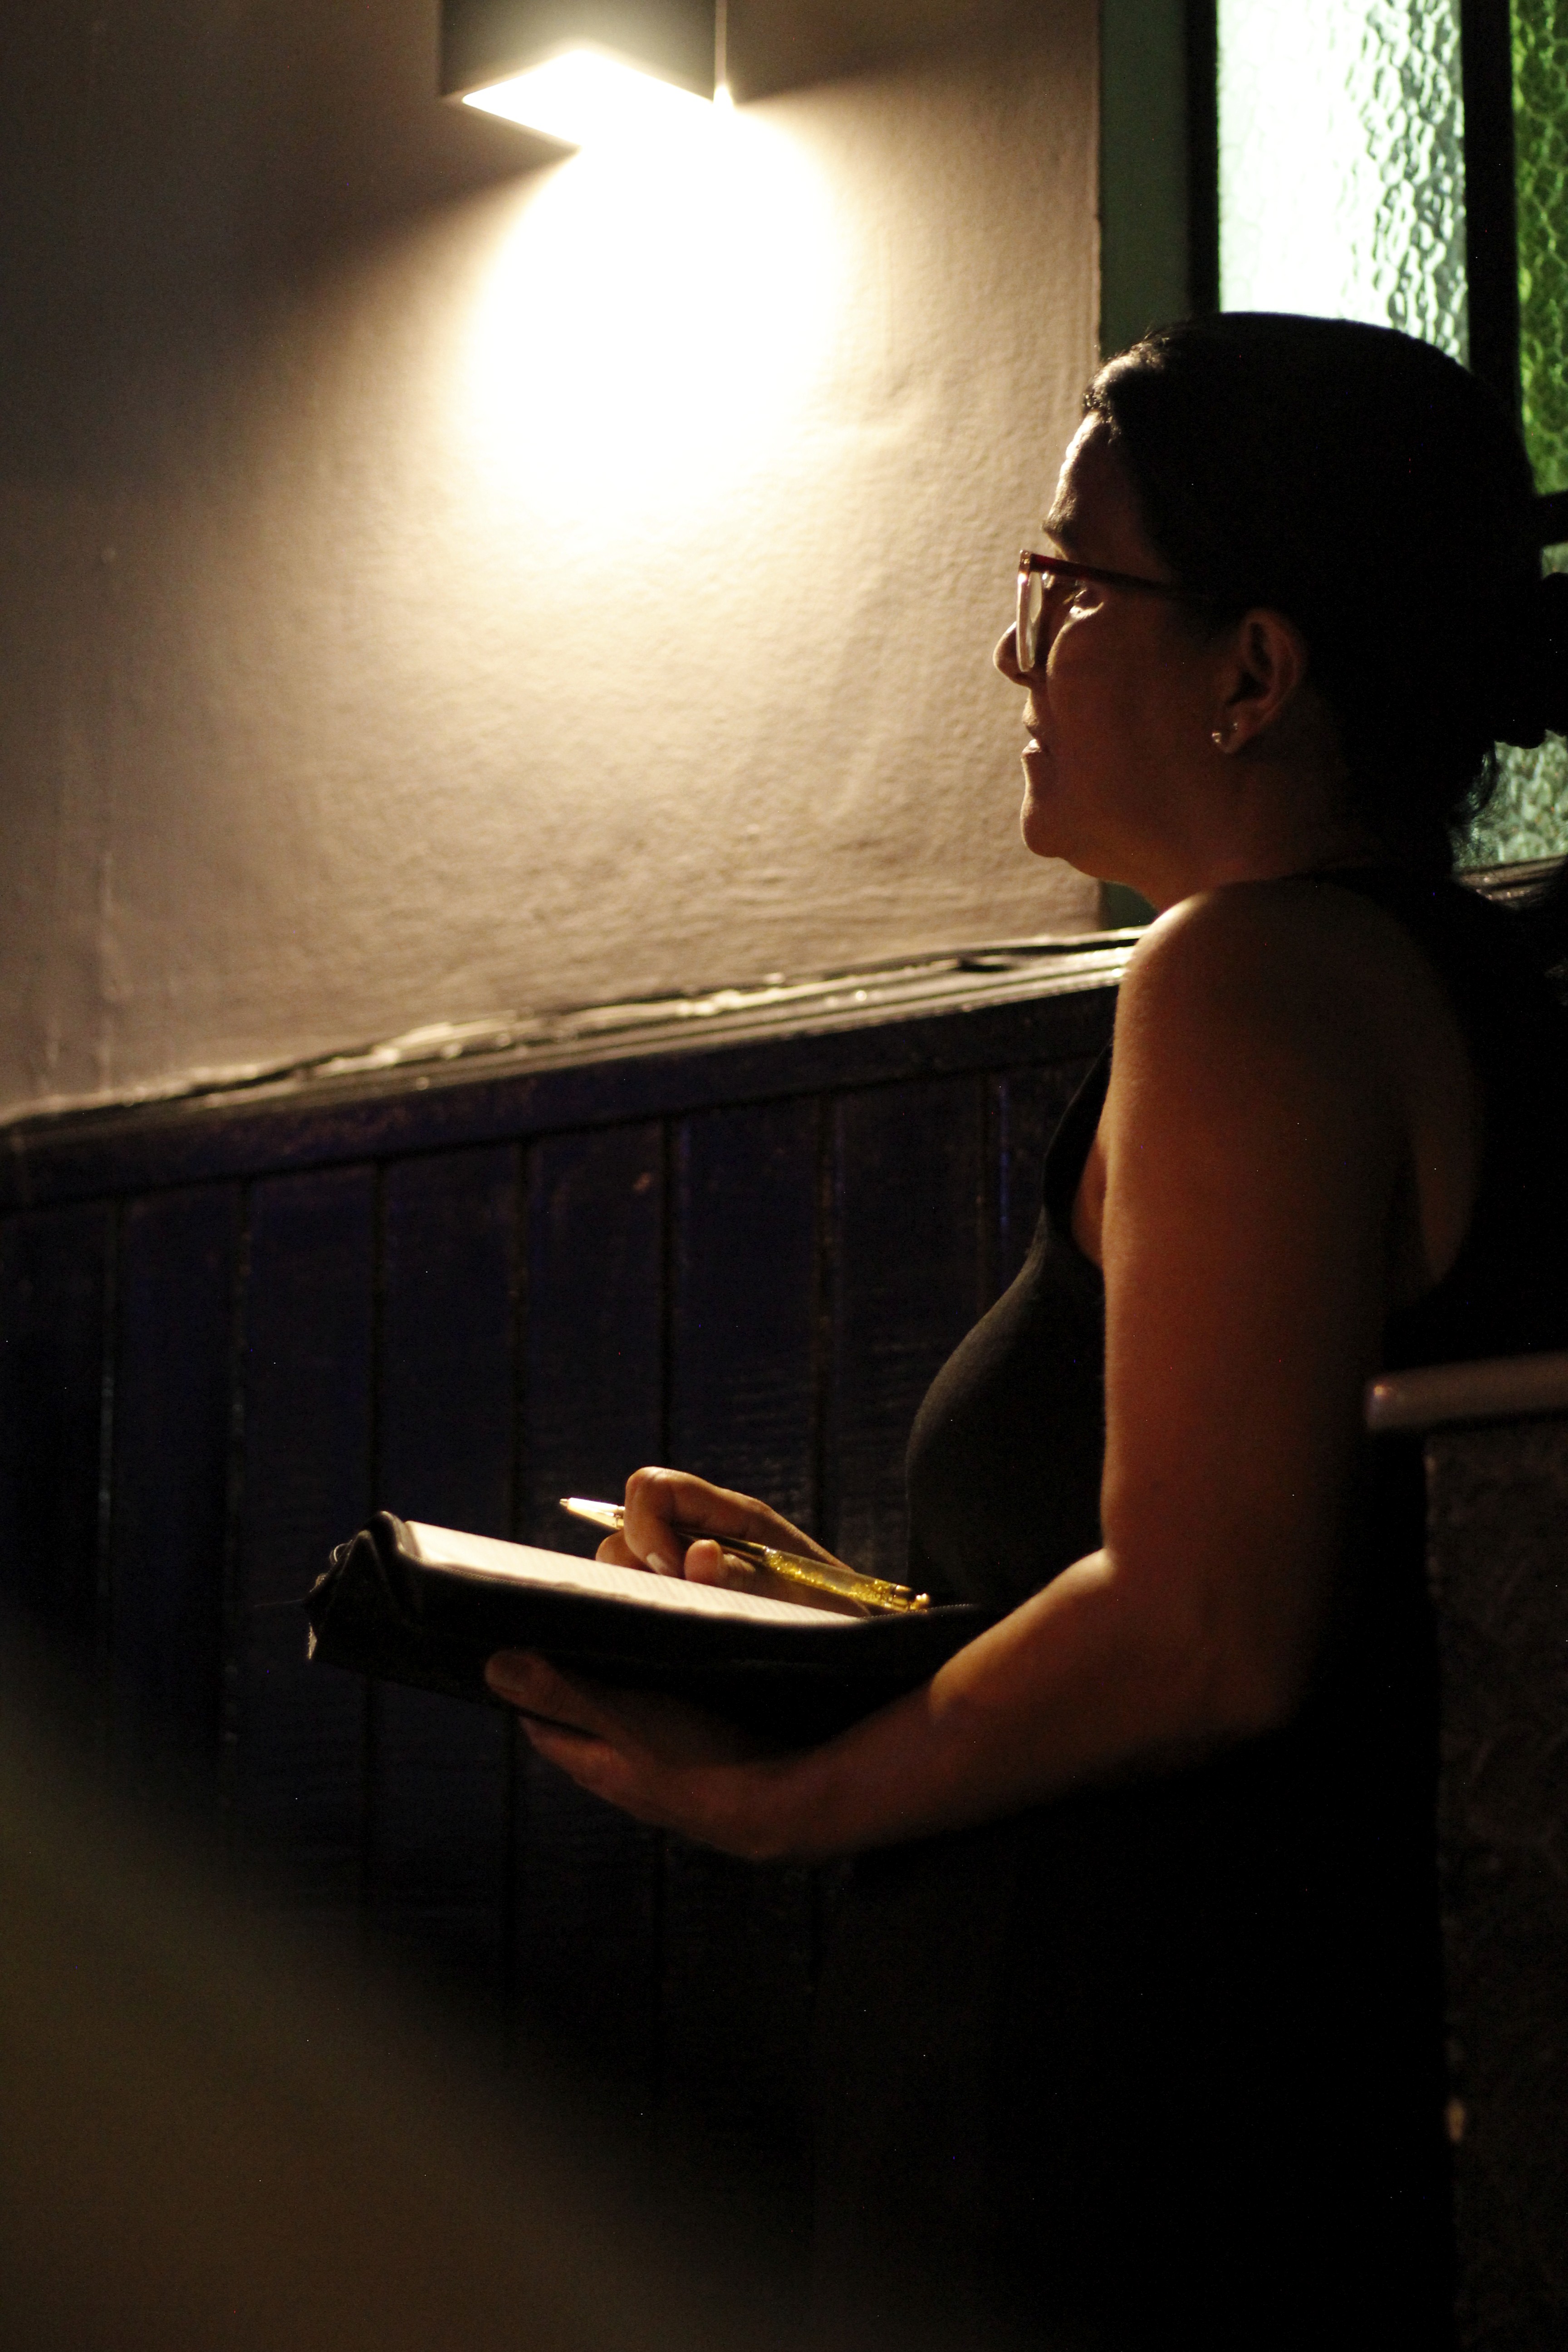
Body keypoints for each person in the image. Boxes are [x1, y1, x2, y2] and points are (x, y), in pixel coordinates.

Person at [485, 315, 1568, 2350]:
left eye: (1063, 585)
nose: (1016, 651)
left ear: (1255, 672)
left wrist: (778, 1802)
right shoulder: (1453, 988)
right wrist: (847, 1620)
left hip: (1146, 2116)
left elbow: (1208, 1631)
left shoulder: (1249, 977)